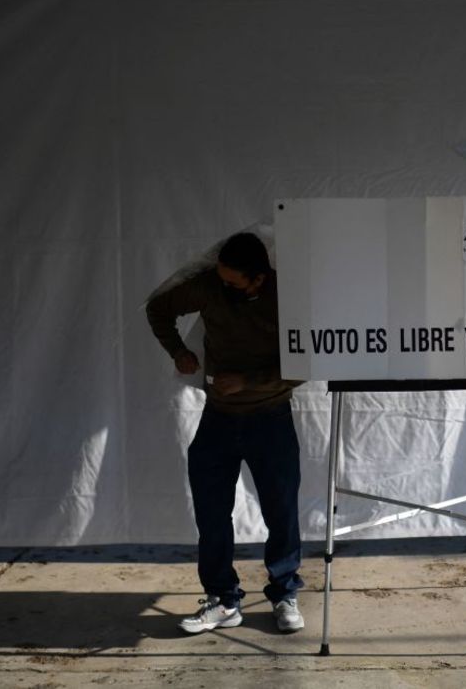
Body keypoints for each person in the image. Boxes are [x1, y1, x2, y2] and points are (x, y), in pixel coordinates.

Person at [146, 232, 305, 634]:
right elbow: (159, 308)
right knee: (211, 510)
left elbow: (305, 364)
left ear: (259, 279)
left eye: (234, 283)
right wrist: (178, 352)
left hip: (271, 417)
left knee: (281, 510)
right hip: (218, 417)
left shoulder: (290, 297)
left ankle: (285, 593)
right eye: (222, 280)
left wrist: (247, 382)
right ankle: (223, 599)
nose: (225, 288)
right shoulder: (212, 286)